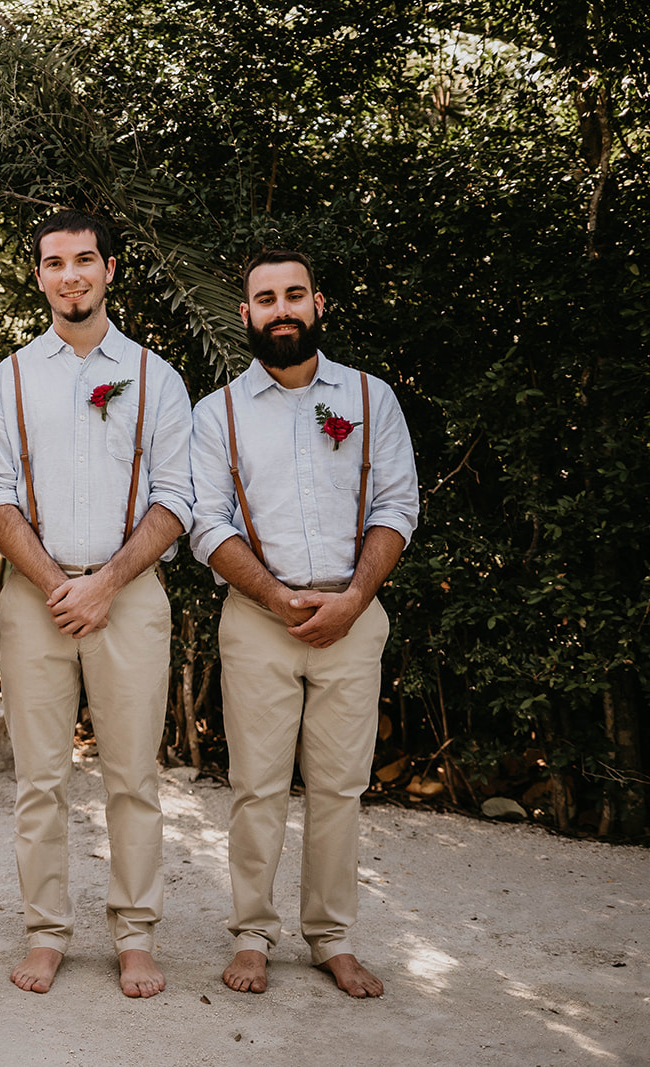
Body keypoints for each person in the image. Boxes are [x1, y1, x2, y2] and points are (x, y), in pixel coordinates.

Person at [189, 249, 419, 998]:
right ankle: (251, 935)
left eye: (294, 295)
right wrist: (273, 595)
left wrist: (354, 598)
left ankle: (332, 938)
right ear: (247, 314)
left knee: (340, 787)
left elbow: (397, 505)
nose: (280, 309)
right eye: (266, 298)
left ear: (319, 304)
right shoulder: (216, 412)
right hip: (258, 619)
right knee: (256, 786)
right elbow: (206, 523)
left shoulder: (371, 397)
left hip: (353, 614)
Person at [0, 210, 192, 997]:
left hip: (129, 596)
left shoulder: (156, 378)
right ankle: (46, 933)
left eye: (84, 260)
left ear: (110, 270)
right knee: (39, 779)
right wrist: (54, 583)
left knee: (132, 776)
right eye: (54, 262)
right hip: (35, 595)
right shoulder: (8, 380)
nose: (70, 275)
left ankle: (135, 935)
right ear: (39, 277)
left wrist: (106, 583)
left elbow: (176, 498)